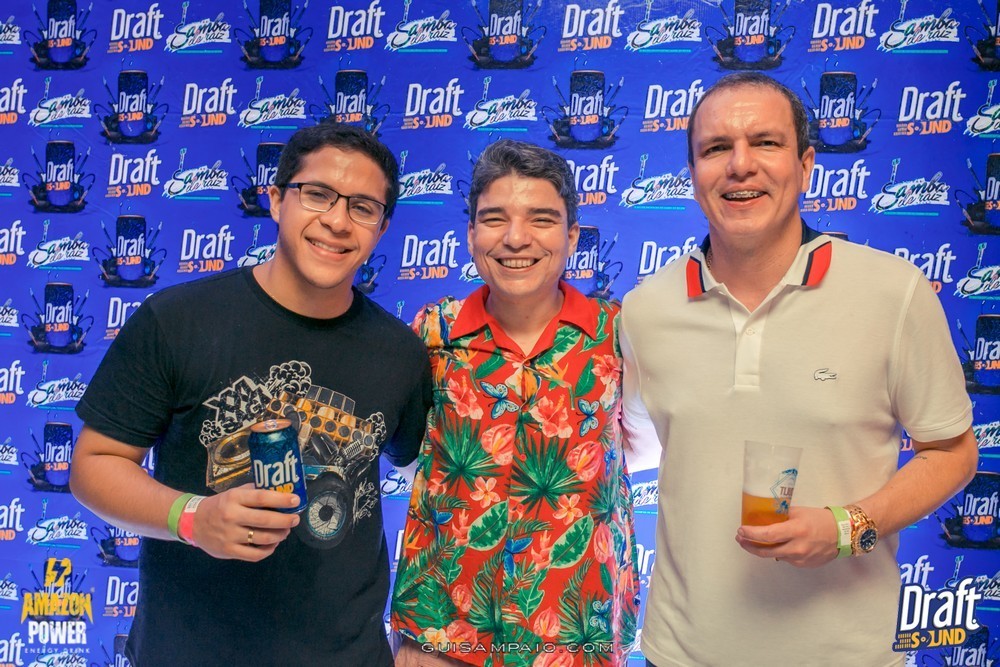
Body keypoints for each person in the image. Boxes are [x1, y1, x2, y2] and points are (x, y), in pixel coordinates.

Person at [620, 72, 978, 666]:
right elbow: (632, 447)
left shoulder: (893, 293)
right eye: (716, 148)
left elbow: (954, 453)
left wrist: (847, 526)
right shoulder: (644, 311)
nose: (740, 165)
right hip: (679, 653)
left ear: (806, 165)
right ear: (693, 176)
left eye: (765, 142)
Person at [70, 122, 432, 667]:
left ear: (381, 228)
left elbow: (433, 479)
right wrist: (192, 517)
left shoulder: (400, 352)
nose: (337, 221)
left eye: (362, 207)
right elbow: (94, 465)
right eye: (318, 194)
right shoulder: (177, 320)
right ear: (277, 200)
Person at [390, 139, 658, 667]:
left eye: (541, 219)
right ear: (471, 234)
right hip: (443, 632)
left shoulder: (618, 333)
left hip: (575, 631)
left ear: (572, 235)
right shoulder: (433, 332)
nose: (516, 238)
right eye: (494, 219)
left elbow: (643, 448)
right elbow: (405, 451)